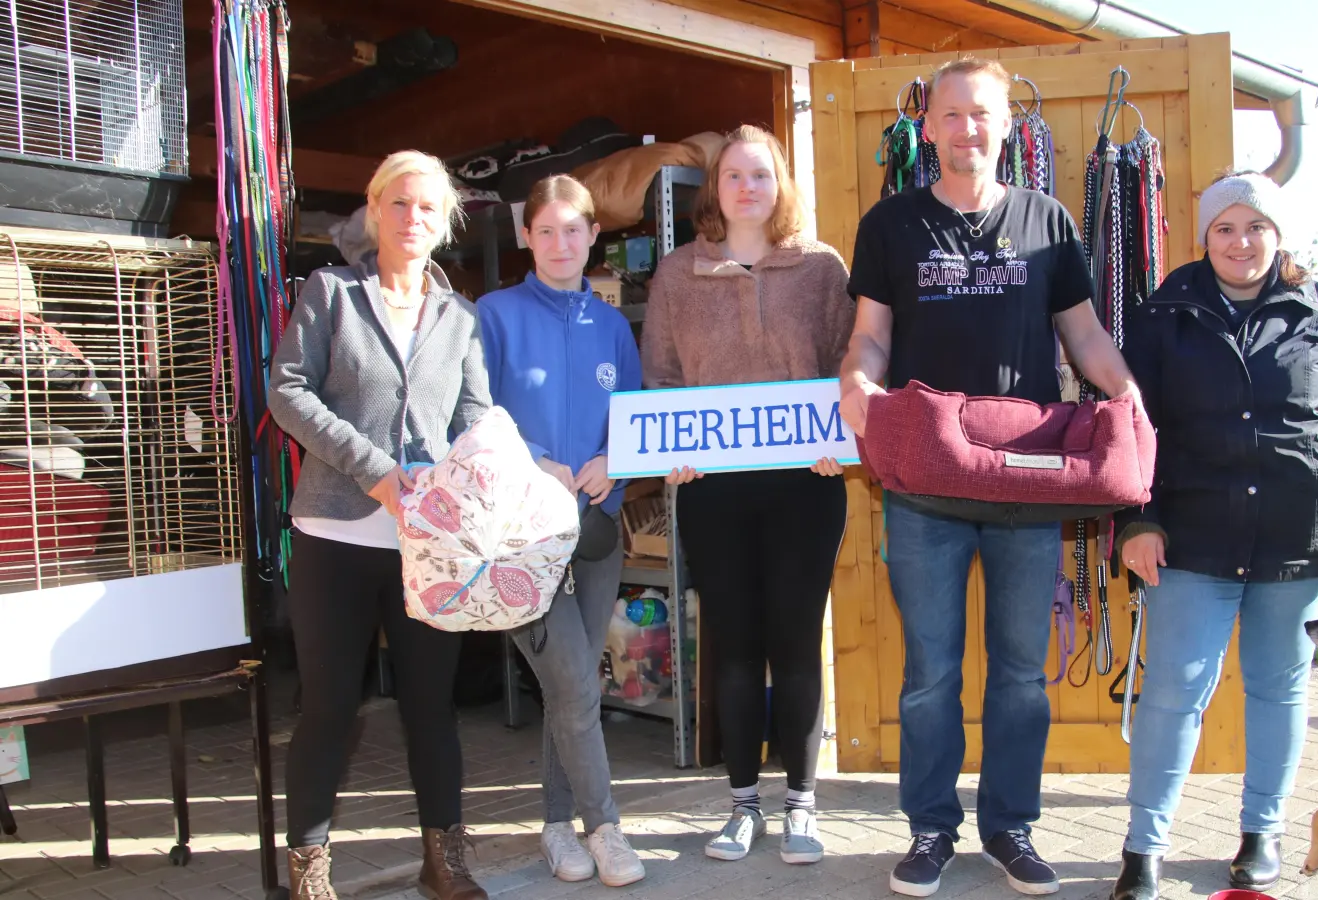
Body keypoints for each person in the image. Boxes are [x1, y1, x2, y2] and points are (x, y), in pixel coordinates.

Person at [840, 57, 1140, 898]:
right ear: (927, 125)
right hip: (925, 485)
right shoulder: (891, 223)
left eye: (983, 114)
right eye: (952, 114)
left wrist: (1127, 396)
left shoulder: (1048, 221)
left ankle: (1011, 827)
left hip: (1027, 480)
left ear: (1008, 125)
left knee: (1018, 671)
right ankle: (931, 829)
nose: (968, 128)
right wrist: (855, 382)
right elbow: (870, 336)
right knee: (930, 672)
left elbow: (1082, 337)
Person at [1110, 171, 1318, 900]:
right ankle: (1144, 849)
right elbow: (1128, 430)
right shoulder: (1162, 314)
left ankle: (1261, 834)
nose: (1242, 242)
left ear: (1279, 234)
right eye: (1226, 228)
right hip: (1189, 539)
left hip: (1298, 541)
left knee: (1277, 689)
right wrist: (1135, 520)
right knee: (1174, 691)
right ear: (1205, 236)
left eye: (1257, 227)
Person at [268, 150, 492, 900]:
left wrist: (493, 480)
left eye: (428, 207)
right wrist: (374, 470)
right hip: (334, 536)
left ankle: (445, 861)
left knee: (432, 707)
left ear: (444, 222)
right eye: (399, 203)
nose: (412, 218)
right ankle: (308, 868)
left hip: (425, 546)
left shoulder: (460, 316)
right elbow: (287, 393)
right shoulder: (329, 293)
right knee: (331, 705)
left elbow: (475, 417)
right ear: (373, 209)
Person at [641, 124, 854, 867]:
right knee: (733, 647)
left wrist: (842, 436)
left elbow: (847, 365)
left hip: (809, 485)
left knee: (795, 644)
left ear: (780, 184)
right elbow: (661, 380)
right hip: (713, 491)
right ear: (716, 188)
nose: (747, 188)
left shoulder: (823, 269)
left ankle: (800, 803)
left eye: (760, 174)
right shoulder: (677, 274)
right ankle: (740, 808)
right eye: (733, 175)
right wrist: (669, 452)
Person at [476, 174, 646, 888]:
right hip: (523, 536)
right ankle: (604, 826)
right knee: (575, 679)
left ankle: (555, 826)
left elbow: (637, 418)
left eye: (572, 230)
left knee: (568, 686)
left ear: (592, 237)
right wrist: (533, 463)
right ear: (526, 238)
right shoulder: (492, 314)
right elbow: (471, 418)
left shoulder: (609, 322)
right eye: (544, 230)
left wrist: (618, 464)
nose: (559, 243)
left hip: (597, 531)